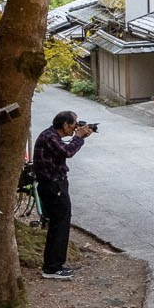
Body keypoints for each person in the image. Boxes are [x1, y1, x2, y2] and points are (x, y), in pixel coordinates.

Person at [32, 111, 94, 280]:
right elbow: (67, 152)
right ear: (65, 125)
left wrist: (80, 138)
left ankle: (54, 265)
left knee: (60, 223)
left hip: (54, 184)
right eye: (74, 124)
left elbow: (64, 150)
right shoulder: (50, 137)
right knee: (59, 224)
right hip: (53, 185)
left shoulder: (51, 135)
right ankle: (52, 268)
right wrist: (79, 138)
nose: (75, 127)